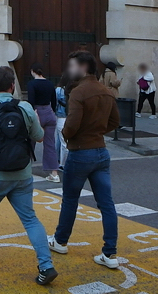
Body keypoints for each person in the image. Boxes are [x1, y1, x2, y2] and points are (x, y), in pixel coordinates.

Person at [0, 65, 58, 285]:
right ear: (12, 85)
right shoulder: (25, 107)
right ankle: (46, 265)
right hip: (22, 174)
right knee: (30, 219)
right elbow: (39, 137)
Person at [50, 50, 120, 270]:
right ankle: (110, 253)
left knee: (70, 199)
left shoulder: (79, 92)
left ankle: (60, 241)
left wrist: (67, 135)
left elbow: (71, 125)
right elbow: (115, 121)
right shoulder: (106, 92)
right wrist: (98, 131)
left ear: (83, 68)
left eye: (72, 66)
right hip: (100, 150)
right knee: (106, 204)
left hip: (80, 151)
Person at [27, 63, 59, 181]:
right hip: (49, 113)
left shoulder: (31, 84)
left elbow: (31, 102)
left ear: (32, 71)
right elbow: (54, 101)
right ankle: (54, 173)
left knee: (30, 143)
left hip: (37, 113)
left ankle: (26, 170)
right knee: (50, 144)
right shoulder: (50, 84)